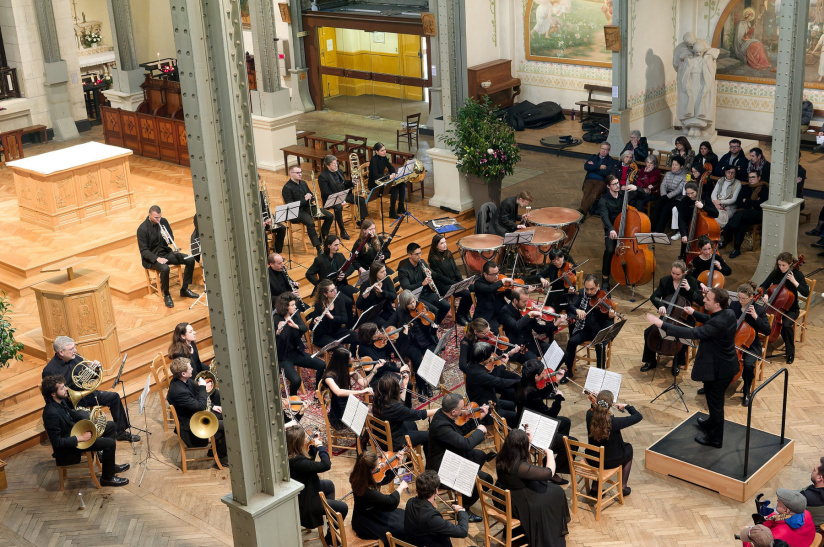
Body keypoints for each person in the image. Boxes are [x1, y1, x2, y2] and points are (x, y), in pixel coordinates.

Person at [646, 287, 737, 448]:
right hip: (720, 365)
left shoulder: (719, 321)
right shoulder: (728, 313)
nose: (703, 300)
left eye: (707, 299)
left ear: (717, 304)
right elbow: (711, 320)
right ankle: (711, 423)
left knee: (716, 404)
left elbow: (693, 333)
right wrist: (693, 313)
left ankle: (715, 439)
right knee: (710, 396)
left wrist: (661, 324)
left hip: (720, 369)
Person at [42, 336, 138, 442]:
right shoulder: (50, 370)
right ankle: (94, 444)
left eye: (74, 347)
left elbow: (92, 377)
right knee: (87, 416)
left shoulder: (76, 357)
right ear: (61, 352)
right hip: (70, 404)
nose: (75, 350)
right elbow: (51, 398)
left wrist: (96, 369)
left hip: (85, 394)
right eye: (71, 349)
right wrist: (66, 400)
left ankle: (121, 432)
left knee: (114, 397)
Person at [41, 375, 130, 487]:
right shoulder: (50, 413)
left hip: (77, 432)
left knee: (111, 426)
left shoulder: (60, 401)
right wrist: (81, 438)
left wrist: (90, 419)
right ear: (53, 394)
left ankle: (109, 467)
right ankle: (107, 478)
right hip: (72, 445)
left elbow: (72, 415)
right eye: (62, 388)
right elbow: (57, 442)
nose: (66, 389)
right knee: (110, 444)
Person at [496, 428, 570, 546]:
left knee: (552, 490)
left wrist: (528, 442)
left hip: (505, 495)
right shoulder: (519, 467)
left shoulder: (501, 456)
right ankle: (549, 528)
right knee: (557, 492)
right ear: (521, 447)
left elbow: (521, 457)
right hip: (518, 501)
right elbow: (549, 473)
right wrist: (550, 454)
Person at [426, 393, 492, 522]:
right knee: (486, 480)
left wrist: (478, 419)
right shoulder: (441, 426)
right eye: (462, 408)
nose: (465, 410)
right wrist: (479, 430)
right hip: (441, 468)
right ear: (453, 411)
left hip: (449, 457)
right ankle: (462, 509)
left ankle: (465, 486)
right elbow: (466, 444)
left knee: (480, 455)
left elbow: (459, 435)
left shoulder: (442, 413)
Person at [286, 425, 347, 545]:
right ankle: (330, 534)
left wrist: (312, 447)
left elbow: (309, 463)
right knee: (343, 507)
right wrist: (320, 447)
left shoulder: (292, 455)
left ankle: (330, 523)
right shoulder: (298, 462)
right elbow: (326, 465)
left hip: (306, 488)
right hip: (307, 502)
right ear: (298, 443)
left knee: (329, 485)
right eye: (304, 438)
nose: (306, 439)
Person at [514, 359, 573, 479]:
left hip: (528, 420)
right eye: (542, 373)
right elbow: (551, 415)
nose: (544, 374)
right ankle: (551, 470)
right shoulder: (530, 393)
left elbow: (539, 395)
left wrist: (555, 381)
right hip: (531, 430)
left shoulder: (523, 384)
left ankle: (549, 457)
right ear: (535, 376)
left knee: (566, 422)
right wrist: (558, 399)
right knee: (570, 443)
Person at [640, 261, 700, 373]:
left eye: (678, 274)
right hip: (668, 315)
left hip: (684, 318)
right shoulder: (665, 281)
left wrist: (689, 289)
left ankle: (678, 362)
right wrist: (661, 305)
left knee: (682, 336)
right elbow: (654, 297)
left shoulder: (691, 281)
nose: (674, 276)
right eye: (673, 273)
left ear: (684, 273)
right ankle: (650, 361)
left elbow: (700, 300)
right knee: (648, 332)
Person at [166, 357, 228, 466]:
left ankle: (215, 451)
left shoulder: (181, 380)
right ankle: (221, 457)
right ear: (184, 373)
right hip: (192, 426)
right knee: (229, 425)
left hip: (195, 415)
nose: (192, 369)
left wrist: (212, 406)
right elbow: (200, 405)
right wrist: (203, 387)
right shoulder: (179, 392)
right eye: (190, 369)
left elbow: (196, 391)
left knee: (223, 415)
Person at [137, 205, 198, 308]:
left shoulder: (163, 221)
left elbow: (171, 239)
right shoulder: (142, 229)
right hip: (152, 258)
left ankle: (184, 289)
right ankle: (167, 294)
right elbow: (144, 251)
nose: (159, 219)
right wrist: (157, 259)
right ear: (149, 215)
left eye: (160, 217)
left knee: (190, 259)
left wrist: (167, 237)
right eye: (156, 217)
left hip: (166, 253)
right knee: (165, 268)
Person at [586, 390, 641, 496]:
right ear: (611, 405)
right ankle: (623, 487)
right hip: (609, 462)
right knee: (628, 448)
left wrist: (597, 400)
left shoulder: (589, 415)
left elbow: (593, 409)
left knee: (599, 452)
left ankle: (595, 488)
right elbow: (638, 416)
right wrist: (626, 406)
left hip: (592, 459)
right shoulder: (614, 422)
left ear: (597, 402)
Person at [562, 274, 615, 380]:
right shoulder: (582, 293)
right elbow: (570, 305)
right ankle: (568, 371)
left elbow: (608, 319)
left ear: (598, 286)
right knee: (571, 341)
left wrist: (610, 316)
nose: (589, 292)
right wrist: (577, 310)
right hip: (585, 329)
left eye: (592, 289)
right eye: (587, 289)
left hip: (599, 329)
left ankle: (600, 375)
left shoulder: (605, 295)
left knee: (600, 346)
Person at [759, 252, 809, 364]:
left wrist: (794, 282)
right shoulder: (776, 272)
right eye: (779, 265)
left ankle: (790, 352)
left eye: (784, 265)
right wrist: (765, 294)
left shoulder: (797, 275)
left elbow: (806, 292)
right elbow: (763, 285)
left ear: (791, 264)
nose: (781, 268)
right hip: (774, 307)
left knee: (786, 326)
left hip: (791, 308)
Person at [350, 449, 408, 542]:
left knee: (405, 515)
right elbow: (391, 502)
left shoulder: (358, 476)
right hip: (365, 523)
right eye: (377, 467)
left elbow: (382, 479)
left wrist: (395, 466)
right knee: (403, 529)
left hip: (369, 513)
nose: (381, 466)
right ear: (370, 472)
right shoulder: (367, 491)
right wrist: (400, 488)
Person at [273, 293, 326, 395]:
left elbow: (304, 328)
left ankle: (317, 391)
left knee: (322, 365)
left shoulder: (295, 315)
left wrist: (295, 326)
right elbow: (272, 343)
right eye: (292, 305)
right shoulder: (275, 319)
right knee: (296, 380)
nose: (295, 307)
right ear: (285, 306)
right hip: (283, 357)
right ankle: (293, 398)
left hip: (296, 353)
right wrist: (277, 333)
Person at [389, 290, 438, 396]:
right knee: (417, 361)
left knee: (432, 356)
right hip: (411, 343)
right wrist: (403, 332)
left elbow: (431, 332)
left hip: (426, 339)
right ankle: (421, 388)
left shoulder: (422, 307)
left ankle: (427, 384)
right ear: (404, 305)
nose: (413, 305)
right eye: (410, 303)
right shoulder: (400, 312)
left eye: (413, 301)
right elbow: (389, 325)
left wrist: (434, 329)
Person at [372, 373, 436, 452]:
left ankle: (410, 459)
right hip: (395, 442)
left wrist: (405, 385)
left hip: (384, 437)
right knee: (429, 436)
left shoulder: (378, 398)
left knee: (412, 424)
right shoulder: (394, 408)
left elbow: (400, 403)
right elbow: (418, 414)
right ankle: (426, 462)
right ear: (393, 390)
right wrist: (439, 410)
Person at [403, 470, 470, 546]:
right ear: (436, 490)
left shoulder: (410, 502)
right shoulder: (431, 518)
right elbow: (462, 531)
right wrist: (462, 511)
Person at [730, 282, 770, 405]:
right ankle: (713, 384)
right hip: (733, 341)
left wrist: (755, 317)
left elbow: (767, 331)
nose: (741, 301)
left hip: (751, 345)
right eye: (739, 298)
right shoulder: (734, 305)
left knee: (747, 365)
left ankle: (746, 391)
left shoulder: (759, 309)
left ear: (752, 297)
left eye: (744, 298)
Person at [499, 286, 565, 361]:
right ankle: (541, 371)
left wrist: (556, 323)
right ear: (515, 301)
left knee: (561, 354)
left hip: (531, 343)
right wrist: (530, 314)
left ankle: (548, 371)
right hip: (518, 348)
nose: (526, 304)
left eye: (527, 300)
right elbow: (516, 326)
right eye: (524, 302)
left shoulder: (526, 310)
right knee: (534, 362)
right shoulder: (506, 311)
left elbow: (539, 329)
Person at [281, 165, 333, 255]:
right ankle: (318, 248)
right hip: (297, 212)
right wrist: (304, 200)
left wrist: (311, 197)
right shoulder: (287, 188)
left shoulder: (303, 183)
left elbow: (311, 195)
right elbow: (290, 205)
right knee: (310, 223)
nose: (300, 174)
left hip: (308, 207)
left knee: (329, 216)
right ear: (291, 174)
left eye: (301, 172)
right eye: (297, 173)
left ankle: (322, 238)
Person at [465, 342, 519, 427]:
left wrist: (503, 365)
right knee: (515, 416)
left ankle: (506, 426)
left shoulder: (472, 364)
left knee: (511, 405)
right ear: (483, 359)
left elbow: (493, 377)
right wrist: (520, 382)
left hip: (489, 399)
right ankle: (506, 429)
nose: (491, 357)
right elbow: (499, 382)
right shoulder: (478, 374)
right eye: (489, 356)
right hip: (485, 408)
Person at [599, 175, 638, 289]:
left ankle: (629, 274)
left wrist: (636, 189)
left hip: (626, 230)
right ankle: (605, 278)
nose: (617, 186)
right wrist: (611, 229)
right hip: (612, 229)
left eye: (617, 183)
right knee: (610, 250)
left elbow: (642, 196)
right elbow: (604, 216)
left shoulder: (623, 195)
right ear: (608, 186)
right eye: (614, 184)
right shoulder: (604, 200)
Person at [319, 347, 374, 427]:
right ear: (343, 361)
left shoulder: (347, 370)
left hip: (350, 403)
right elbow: (338, 392)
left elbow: (364, 383)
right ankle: (363, 438)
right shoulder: (329, 377)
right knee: (371, 418)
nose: (352, 359)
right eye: (350, 358)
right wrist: (360, 392)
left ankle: (367, 437)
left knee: (375, 411)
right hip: (340, 410)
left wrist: (374, 370)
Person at [397, 242, 450, 324]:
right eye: (416, 254)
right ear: (409, 255)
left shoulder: (422, 262)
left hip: (427, 293)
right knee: (434, 310)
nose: (419, 256)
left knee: (446, 306)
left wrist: (430, 272)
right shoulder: (403, 270)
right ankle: (432, 328)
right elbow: (406, 288)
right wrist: (422, 284)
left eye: (420, 253)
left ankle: (435, 323)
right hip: (415, 297)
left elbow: (436, 275)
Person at [744, 488, 816, 547]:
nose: (777, 501)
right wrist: (771, 518)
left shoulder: (777, 535)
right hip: (807, 541)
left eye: (779, 502)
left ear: (786, 510)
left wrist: (746, 534)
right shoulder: (806, 513)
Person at [428, 233, 473, 326]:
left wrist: (461, 281)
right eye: (442, 243)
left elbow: (456, 269)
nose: (445, 245)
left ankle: (465, 312)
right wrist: (457, 285)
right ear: (436, 246)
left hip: (455, 282)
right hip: (444, 285)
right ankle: (459, 315)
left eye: (445, 242)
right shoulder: (433, 259)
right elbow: (440, 277)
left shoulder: (448, 253)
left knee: (472, 288)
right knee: (467, 294)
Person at [318, 154, 367, 239]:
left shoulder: (339, 171)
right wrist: (339, 199)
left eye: (336, 163)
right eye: (333, 164)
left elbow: (344, 184)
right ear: (327, 165)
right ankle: (342, 230)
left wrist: (352, 182)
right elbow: (326, 192)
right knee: (338, 208)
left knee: (361, 200)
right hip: (332, 199)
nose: (336, 165)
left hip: (344, 195)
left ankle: (363, 223)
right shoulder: (323, 176)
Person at [724, 171, 769, 259]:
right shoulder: (745, 187)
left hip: (759, 214)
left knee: (742, 214)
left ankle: (728, 227)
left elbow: (761, 204)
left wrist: (747, 201)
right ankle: (736, 249)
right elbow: (739, 202)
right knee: (742, 221)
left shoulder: (764, 188)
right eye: (749, 177)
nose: (751, 179)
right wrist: (753, 203)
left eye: (753, 177)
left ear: (759, 178)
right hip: (746, 214)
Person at [306, 235, 358, 304]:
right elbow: (309, 274)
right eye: (336, 245)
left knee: (359, 293)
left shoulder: (340, 256)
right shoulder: (320, 260)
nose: (338, 247)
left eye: (338, 245)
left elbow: (351, 267)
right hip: (330, 290)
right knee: (348, 301)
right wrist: (319, 284)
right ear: (329, 246)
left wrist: (345, 275)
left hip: (341, 285)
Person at [676, 181, 719, 260]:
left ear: (697, 190)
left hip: (702, 230)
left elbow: (716, 214)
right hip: (689, 228)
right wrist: (684, 234)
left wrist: (703, 206)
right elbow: (681, 218)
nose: (690, 196)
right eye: (688, 194)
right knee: (685, 247)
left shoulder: (704, 198)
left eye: (692, 193)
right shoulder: (684, 201)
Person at [311, 279, 357, 350]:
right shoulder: (319, 305)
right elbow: (311, 327)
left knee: (356, 336)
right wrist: (315, 322)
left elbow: (345, 319)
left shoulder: (339, 300)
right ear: (325, 294)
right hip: (323, 336)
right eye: (332, 291)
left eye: (335, 288)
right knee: (340, 349)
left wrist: (333, 317)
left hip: (336, 331)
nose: (335, 291)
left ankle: (353, 355)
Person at [355, 322, 402, 389]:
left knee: (406, 383)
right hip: (375, 377)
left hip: (384, 372)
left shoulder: (378, 342)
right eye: (376, 332)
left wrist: (388, 342)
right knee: (399, 385)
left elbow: (392, 351)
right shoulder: (364, 349)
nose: (380, 333)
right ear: (369, 336)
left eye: (378, 330)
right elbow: (381, 364)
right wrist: (399, 370)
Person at [579, 142, 618, 217]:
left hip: (601, 181)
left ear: (609, 151)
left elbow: (606, 173)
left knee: (593, 195)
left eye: (606, 149)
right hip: (589, 179)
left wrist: (593, 167)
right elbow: (586, 167)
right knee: (586, 192)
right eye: (602, 148)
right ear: (600, 149)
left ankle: (582, 212)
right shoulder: (593, 157)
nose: (603, 151)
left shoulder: (611, 161)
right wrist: (599, 167)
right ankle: (582, 212)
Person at [471, 260, 512, 332]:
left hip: (501, 311)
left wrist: (513, 290)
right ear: (485, 274)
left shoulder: (499, 282)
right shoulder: (478, 283)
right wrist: (502, 281)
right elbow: (489, 289)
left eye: (497, 273)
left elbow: (510, 297)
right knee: (493, 331)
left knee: (515, 324)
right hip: (488, 315)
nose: (496, 277)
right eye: (493, 275)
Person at [650, 156, 687, 234]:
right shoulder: (668, 173)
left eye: (676, 165)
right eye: (673, 164)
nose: (673, 166)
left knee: (666, 209)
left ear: (681, 166)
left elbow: (679, 190)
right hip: (665, 195)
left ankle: (659, 231)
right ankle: (651, 228)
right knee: (657, 205)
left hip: (677, 198)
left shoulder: (684, 176)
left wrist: (667, 197)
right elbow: (663, 185)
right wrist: (664, 196)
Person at [356, 262, 397, 328]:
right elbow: (358, 305)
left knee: (397, 318)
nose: (385, 273)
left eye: (385, 270)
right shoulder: (366, 285)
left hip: (386, 310)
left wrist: (382, 291)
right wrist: (364, 297)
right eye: (382, 272)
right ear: (375, 274)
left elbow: (393, 295)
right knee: (386, 325)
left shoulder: (386, 279)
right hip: (373, 316)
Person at [368, 142, 404, 219]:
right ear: (376, 151)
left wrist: (394, 173)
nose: (384, 152)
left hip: (382, 181)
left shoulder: (384, 158)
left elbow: (390, 167)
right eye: (382, 150)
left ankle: (401, 208)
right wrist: (388, 177)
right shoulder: (373, 160)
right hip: (374, 184)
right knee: (394, 190)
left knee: (401, 184)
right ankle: (392, 212)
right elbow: (375, 175)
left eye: (385, 150)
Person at [259, 175, 286, 254]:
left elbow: (266, 208)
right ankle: (267, 257)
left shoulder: (261, 194)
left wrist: (270, 219)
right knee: (263, 234)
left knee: (282, 228)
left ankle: (277, 253)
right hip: (257, 223)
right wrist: (261, 222)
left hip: (266, 220)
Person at [711, 164, 742, 232]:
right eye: (728, 172)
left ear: (735, 174)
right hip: (717, 205)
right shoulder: (720, 180)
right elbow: (714, 194)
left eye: (732, 172)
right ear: (725, 172)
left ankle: (719, 235)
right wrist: (716, 203)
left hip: (729, 208)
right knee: (709, 214)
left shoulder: (738, 183)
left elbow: (733, 199)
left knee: (719, 217)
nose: (730, 174)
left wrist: (720, 202)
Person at [800, 457, 824, 529]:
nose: (812, 471)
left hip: (811, 532)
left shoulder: (805, 497)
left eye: (814, 470)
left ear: (819, 478)